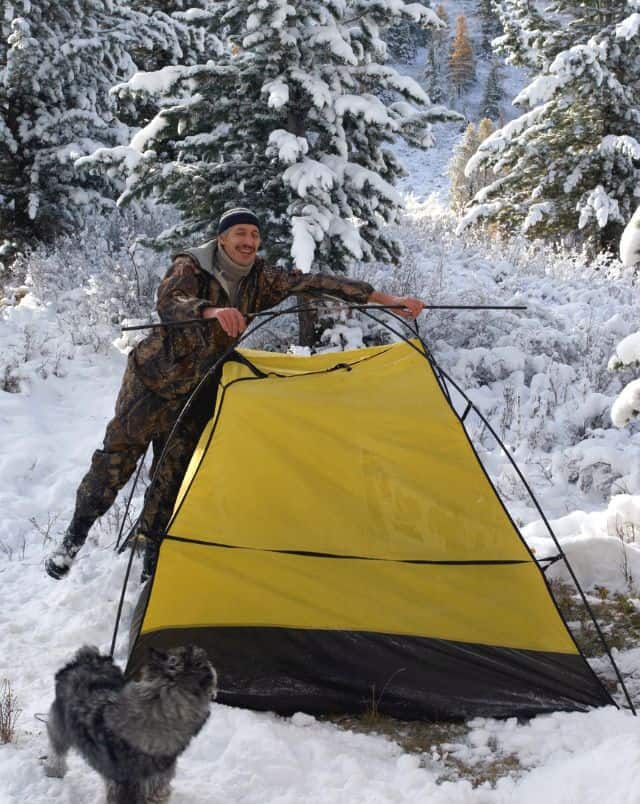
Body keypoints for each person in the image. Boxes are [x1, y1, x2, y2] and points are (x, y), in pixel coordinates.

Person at [45, 207, 425, 581]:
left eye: (254, 235)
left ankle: (153, 559)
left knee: (172, 475)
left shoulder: (261, 279)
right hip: (153, 382)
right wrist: (211, 311)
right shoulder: (191, 265)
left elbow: (316, 283)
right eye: (240, 234)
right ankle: (72, 540)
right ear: (222, 238)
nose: (248, 242)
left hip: (199, 389)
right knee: (116, 461)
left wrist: (387, 300)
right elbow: (169, 302)